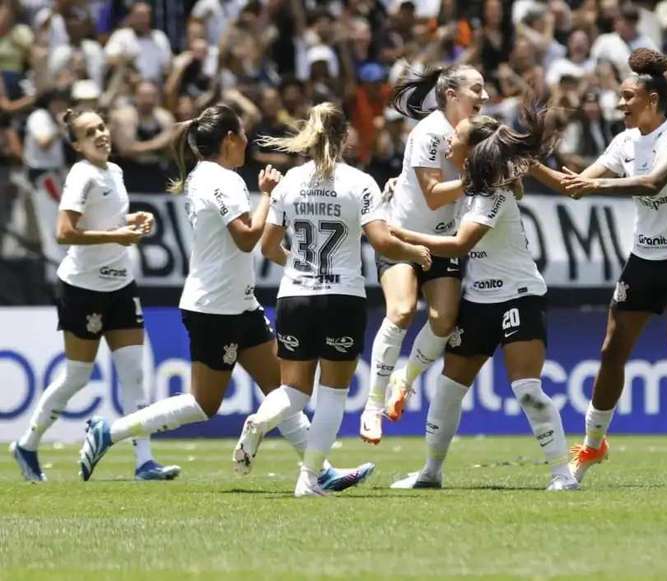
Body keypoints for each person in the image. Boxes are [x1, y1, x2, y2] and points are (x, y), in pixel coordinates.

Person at [77, 105, 375, 492]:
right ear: (229, 140)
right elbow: (247, 237)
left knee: (283, 391)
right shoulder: (222, 180)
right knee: (204, 404)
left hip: (240, 302)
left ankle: (318, 470)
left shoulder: (211, 176)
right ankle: (109, 431)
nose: (248, 143)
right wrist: (267, 195)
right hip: (214, 307)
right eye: (243, 135)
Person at [529, 48, 667, 490]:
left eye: (627, 96)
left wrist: (596, 183)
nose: (619, 104)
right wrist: (527, 163)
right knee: (612, 351)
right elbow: (576, 187)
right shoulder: (623, 142)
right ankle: (593, 444)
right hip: (644, 259)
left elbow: (653, 182)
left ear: (652, 99)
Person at [231, 102, 431, 497]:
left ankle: (258, 421)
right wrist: (415, 254)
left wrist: (298, 265)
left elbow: (269, 248)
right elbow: (381, 241)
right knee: (332, 395)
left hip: (295, 297)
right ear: (345, 137)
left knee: (293, 393)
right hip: (341, 297)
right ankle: (308, 480)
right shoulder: (360, 182)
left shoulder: (289, 182)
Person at [387, 111, 578, 491]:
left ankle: (562, 474)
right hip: (478, 302)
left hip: (518, 297)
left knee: (527, 389)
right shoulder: (467, 186)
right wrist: (401, 186)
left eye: (455, 138)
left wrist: (399, 233)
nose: (447, 144)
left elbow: (460, 245)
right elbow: (431, 196)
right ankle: (430, 472)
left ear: (474, 149)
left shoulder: (493, 191)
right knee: (446, 390)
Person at [10, 108, 180, 482]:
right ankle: (28, 443)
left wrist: (132, 221)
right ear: (77, 145)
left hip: (120, 284)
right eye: (90, 133)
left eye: (102, 127)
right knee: (77, 376)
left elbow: (106, 222)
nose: (101, 135)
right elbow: (64, 232)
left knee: (135, 375)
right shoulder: (80, 175)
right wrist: (117, 236)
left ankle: (144, 462)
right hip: (83, 287)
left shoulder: (114, 172)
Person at [360, 63, 489, 445]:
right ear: (452, 95)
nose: (484, 97)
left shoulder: (477, 133)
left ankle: (405, 379)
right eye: (477, 89)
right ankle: (372, 406)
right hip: (401, 235)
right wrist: (474, 179)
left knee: (444, 320)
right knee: (400, 311)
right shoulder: (429, 132)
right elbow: (432, 194)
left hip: (441, 239)